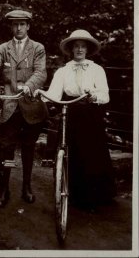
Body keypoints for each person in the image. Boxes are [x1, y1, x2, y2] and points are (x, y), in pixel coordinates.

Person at [0, 9, 48, 207]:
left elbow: (41, 73)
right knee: (6, 149)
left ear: (28, 26)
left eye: (22, 24)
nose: (19, 28)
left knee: (28, 148)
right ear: (11, 27)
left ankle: (27, 186)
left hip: (30, 106)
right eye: (15, 24)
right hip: (10, 105)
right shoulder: (3, 49)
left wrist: (29, 86)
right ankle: (4, 189)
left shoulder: (37, 48)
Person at [34, 29, 116, 211]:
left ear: (87, 49)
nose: (79, 50)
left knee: (93, 153)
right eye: (76, 46)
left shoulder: (97, 69)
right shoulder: (63, 71)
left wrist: (94, 96)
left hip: (91, 114)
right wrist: (40, 94)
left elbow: (105, 95)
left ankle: (97, 197)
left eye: (83, 46)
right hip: (70, 113)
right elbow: (54, 94)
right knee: (71, 152)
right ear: (71, 49)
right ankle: (71, 194)